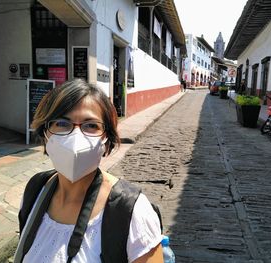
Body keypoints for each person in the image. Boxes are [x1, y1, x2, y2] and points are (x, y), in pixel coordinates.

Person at [14, 79, 163, 262]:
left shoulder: (131, 212)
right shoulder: (35, 191)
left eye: (91, 125)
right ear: (45, 133)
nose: (76, 137)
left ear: (106, 138)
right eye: (62, 123)